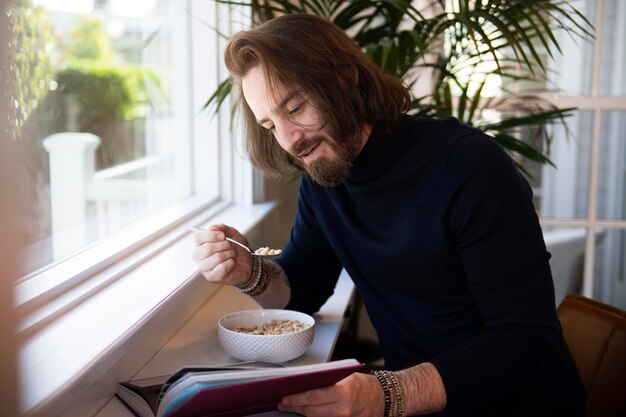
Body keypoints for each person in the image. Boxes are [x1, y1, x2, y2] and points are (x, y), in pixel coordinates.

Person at [192, 13, 586, 417]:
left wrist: (387, 394)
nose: (290, 140)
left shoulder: (470, 166)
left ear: (346, 78)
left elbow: (525, 342)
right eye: (270, 124)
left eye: (295, 107)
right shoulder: (324, 179)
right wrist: (249, 272)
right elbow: (304, 288)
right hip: (414, 404)